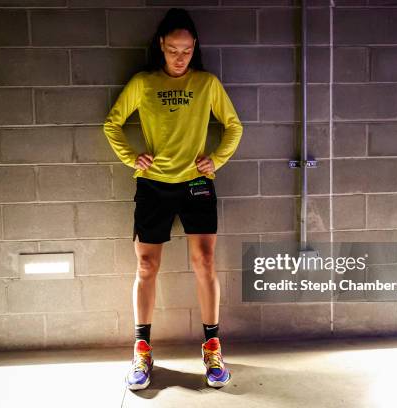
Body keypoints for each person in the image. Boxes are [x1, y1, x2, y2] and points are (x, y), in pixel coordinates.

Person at [103, 8, 243, 391]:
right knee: (146, 266)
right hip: (153, 185)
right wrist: (132, 156)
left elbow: (233, 126)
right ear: (161, 47)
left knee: (205, 261)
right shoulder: (144, 83)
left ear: (194, 47)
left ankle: (212, 347)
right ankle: (142, 350)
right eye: (172, 50)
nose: (179, 57)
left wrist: (216, 158)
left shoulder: (207, 83)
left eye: (186, 50)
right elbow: (112, 123)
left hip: (197, 183)